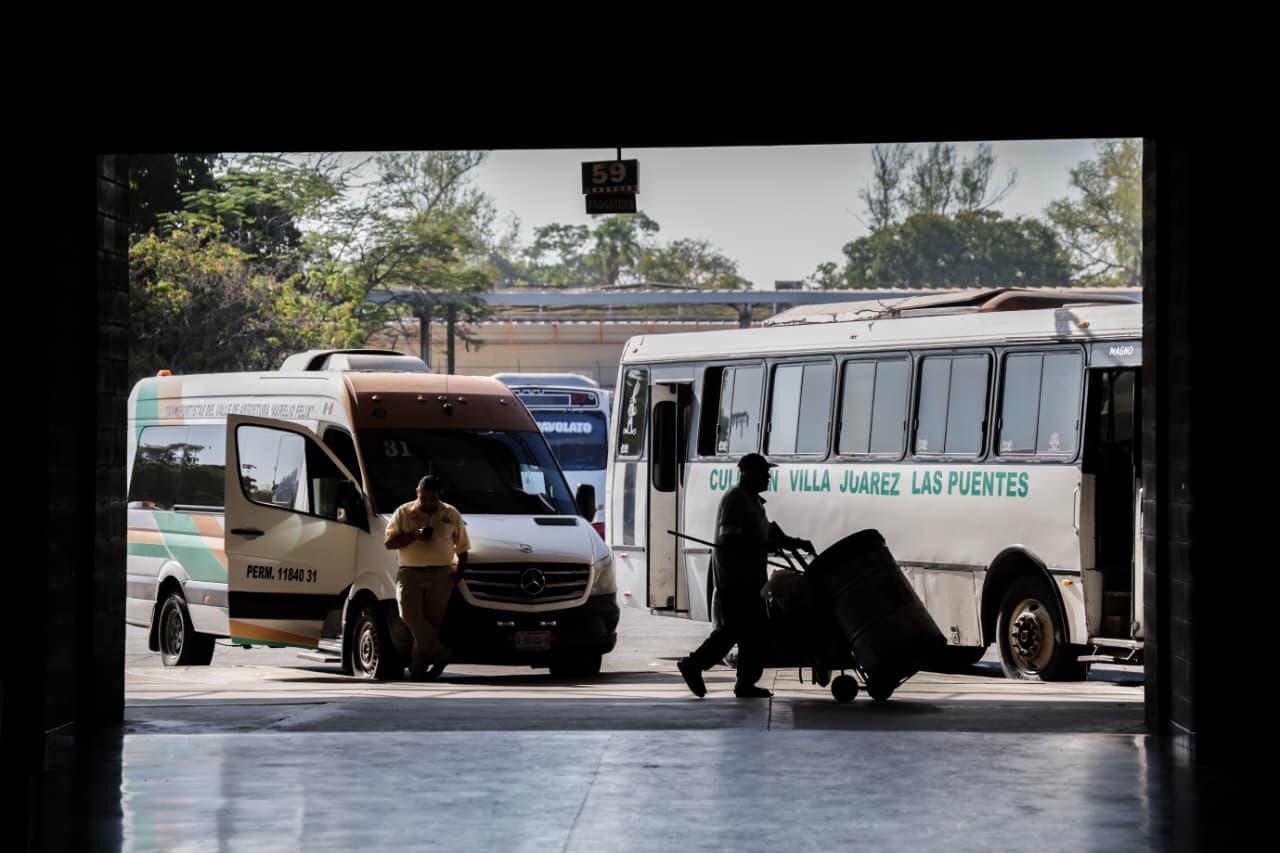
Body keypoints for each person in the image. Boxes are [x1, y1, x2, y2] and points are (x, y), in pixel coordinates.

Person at [678, 453, 814, 698]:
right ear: (748, 473)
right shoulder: (735, 500)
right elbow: (731, 538)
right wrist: (763, 546)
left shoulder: (754, 502)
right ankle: (693, 665)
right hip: (736, 580)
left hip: (751, 580)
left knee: (753, 630)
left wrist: (796, 543)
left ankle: (744, 683)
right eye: (764, 472)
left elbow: (771, 532)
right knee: (734, 630)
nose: (769, 477)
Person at [384, 475, 471, 681]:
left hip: (441, 574)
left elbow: (463, 548)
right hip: (410, 572)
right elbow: (389, 543)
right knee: (409, 616)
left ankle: (418, 670)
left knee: (431, 623)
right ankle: (441, 653)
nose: (428, 503)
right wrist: (413, 536)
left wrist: (458, 575)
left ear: (439, 496)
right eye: (424, 498)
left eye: (432, 499)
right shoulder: (404, 512)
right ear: (417, 493)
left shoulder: (451, 514)